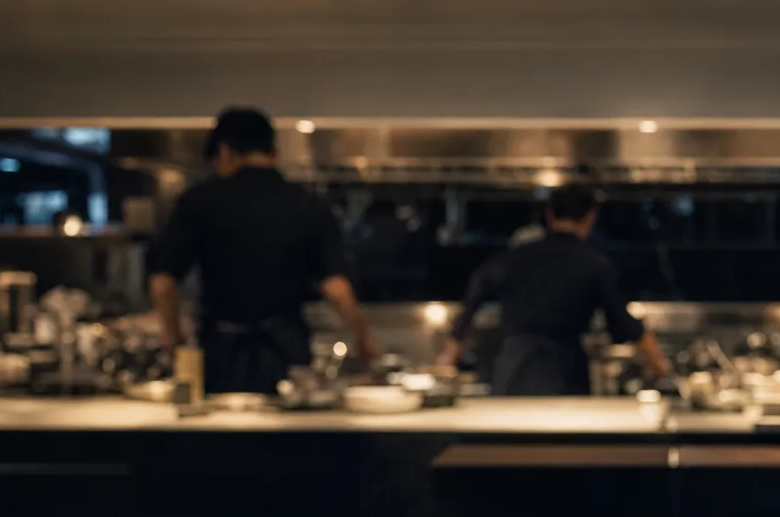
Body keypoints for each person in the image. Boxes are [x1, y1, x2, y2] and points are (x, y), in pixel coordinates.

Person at [149, 107, 380, 394]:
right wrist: (363, 336)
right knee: (292, 419)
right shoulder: (308, 205)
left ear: (225, 151)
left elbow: (163, 283)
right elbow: (336, 288)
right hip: (287, 351)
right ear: (274, 152)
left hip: (221, 353)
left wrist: (174, 337)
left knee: (223, 420)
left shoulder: (198, 202)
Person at [436, 183, 669, 395]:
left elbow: (475, 292)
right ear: (591, 217)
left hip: (513, 372)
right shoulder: (595, 264)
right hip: (564, 373)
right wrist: (658, 363)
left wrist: (450, 353)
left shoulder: (515, 257)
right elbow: (621, 323)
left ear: (549, 214)